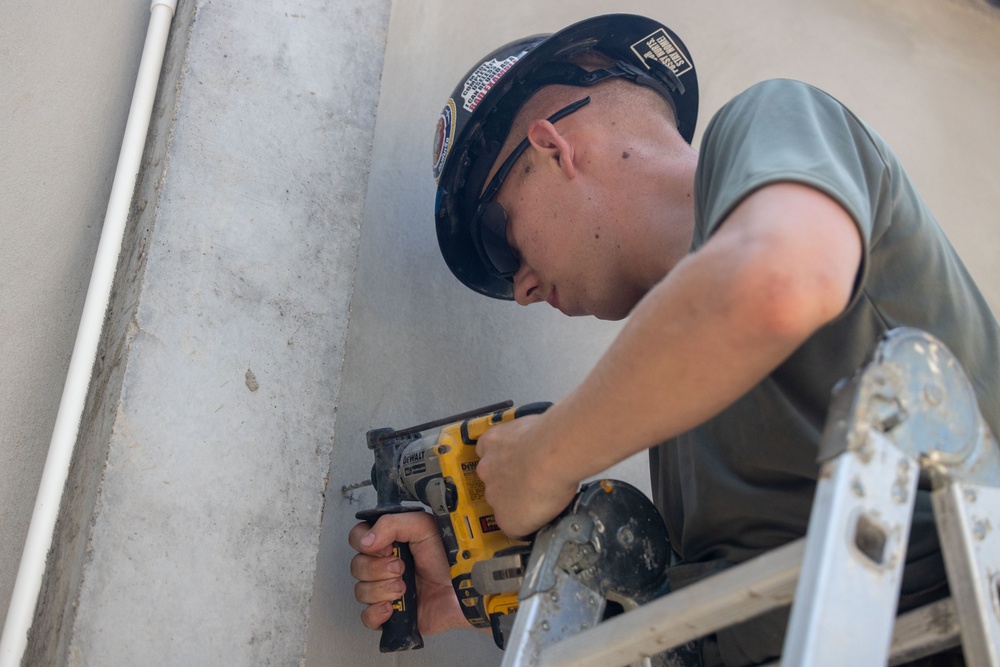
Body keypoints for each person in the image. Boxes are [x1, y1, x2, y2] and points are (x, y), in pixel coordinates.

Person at [349, 13, 999, 666]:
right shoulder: (675, 408)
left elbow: (778, 283)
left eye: (499, 240)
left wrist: (546, 455)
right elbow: (714, 625)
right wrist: (476, 594)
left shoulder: (773, 117)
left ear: (554, 147)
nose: (518, 287)